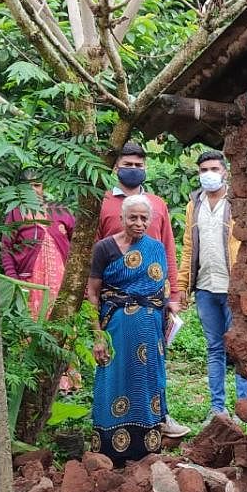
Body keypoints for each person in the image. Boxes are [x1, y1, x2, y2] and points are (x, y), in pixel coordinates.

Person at [96, 141, 188, 436]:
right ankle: (115, 427)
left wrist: (173, 296)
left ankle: (160, 417)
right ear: (116, 166)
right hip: (116, 308)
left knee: (154, 364)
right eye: (128, 164)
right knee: (117, 364)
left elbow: (168, 251)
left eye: (138, 165)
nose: (133, 169)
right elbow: (93, 259)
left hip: (152, 306)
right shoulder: (103, 203)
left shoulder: (158, 205)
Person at [88, 195, 185, 464]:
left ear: (150, 221)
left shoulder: (155, 248)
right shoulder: (104, 249)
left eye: (144, 218)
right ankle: (110, 450)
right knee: (115, 379)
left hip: (150, 328)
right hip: (115, 327)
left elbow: (161, 291)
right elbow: (93, 295)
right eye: (133, 217)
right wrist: (98, 336)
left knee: (146, 379)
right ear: (122, 219)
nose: (138, 223)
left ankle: (147, 448)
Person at [177, 150, 247, 419]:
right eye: (204, 170)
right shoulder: (194, 204)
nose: (209, 174)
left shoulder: (236, 202)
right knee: (214, 348)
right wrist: (183, 285)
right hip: (206, 287)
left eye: (214, 169)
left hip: (233, 288)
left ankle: (243, 408)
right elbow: (187, 246)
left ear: (225, 172)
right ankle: (217, 409)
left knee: (240, 349)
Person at [1, 171, 81, 391]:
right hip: (30, 284)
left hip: (60, 282)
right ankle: (31, 382)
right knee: (31, 328)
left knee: (62, 327)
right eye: (29, 186)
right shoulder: (16, 213)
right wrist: (14, 281)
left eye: (37, 185)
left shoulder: (60, 210)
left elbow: (77, 245)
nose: (34, 190)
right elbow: (6, 249)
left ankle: (64, 383)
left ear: (44, 186)